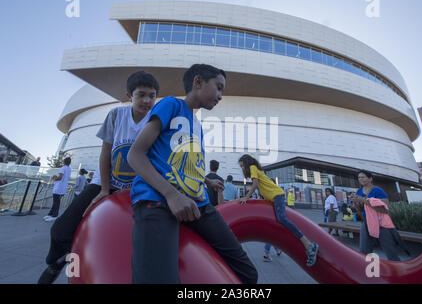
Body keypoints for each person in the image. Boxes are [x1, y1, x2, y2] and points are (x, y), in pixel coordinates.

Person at [128, 64, 258, 284]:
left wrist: (206, 180)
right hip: (158, 200)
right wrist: (172, 194)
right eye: (218, 88)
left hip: (200, 205)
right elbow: (135, 155)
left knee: (248, 274)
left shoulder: (197, 125)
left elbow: (187, 166)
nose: (220, 96)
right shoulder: (172, 104)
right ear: (198, 82)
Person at [37, 70, 160, 284]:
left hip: (137, 189)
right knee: (60, 230)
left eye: (152, 95)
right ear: (129, 95)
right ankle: (56, 263)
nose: (147, 100)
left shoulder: (157, 121)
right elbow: (106, 153)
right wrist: (104, 188)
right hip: (106, 183)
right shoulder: (116, 115)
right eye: (141, 94)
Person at [238, 154, 319, 267]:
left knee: (282, 219)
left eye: (242, 165)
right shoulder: (255, 169)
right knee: (278, 220)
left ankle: (309, 245)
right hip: (274, 197)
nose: (242, 168)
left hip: (277, 196)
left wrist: (246, 197)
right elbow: (262, 186)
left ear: (246, 163)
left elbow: (255, 184)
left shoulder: (252, 168)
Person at [349, 170, 408, 261]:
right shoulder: (359, 191)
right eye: (359, 177)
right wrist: (356, 203)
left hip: (381, 223)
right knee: (364, 250)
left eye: (363, 177)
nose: (360, 179)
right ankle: (365, 269)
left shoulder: (377, 190)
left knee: (389, 249)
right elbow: (361, 210)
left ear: (370, 179)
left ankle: (396, 267)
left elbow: (385, 209)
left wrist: (364, 201)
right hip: (366, 222)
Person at [43, 157, 72, 222]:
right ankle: (50, 214)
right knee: (56, 202)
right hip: (62, 188)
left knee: (56, 202)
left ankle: (54, 216)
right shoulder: (69, 169)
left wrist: (54, 177)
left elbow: (60, 177)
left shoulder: (63, 168)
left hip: (58, 188)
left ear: (64, 161)